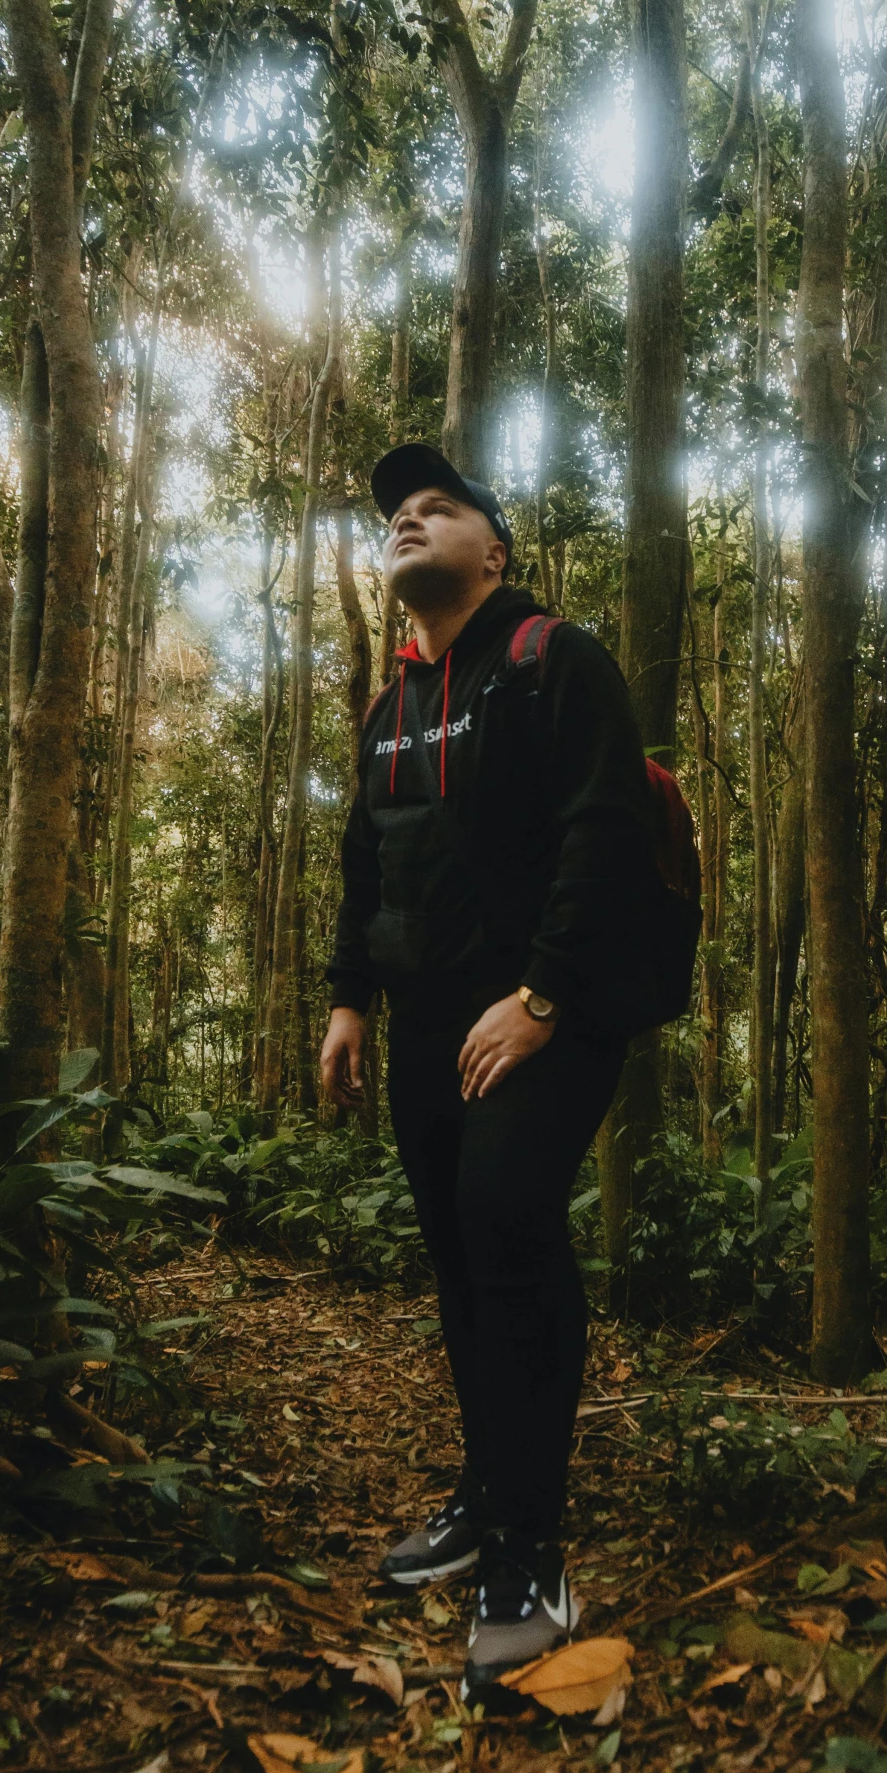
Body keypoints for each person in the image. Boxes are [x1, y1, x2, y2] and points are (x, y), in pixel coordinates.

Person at [320, 440, 658, 1701]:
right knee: (457, 1253)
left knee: (508, 1218)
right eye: (394, 513)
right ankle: (482, 1491)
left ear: (493, 549)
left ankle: (532, 1545)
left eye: (436, 508)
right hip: (423, 1020)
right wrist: (349, 1000)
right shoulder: (390, 704)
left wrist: (547, 995)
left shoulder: (550, 659)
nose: (407, 520)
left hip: (547, 1013)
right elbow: (370, 860)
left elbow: (605, 828)